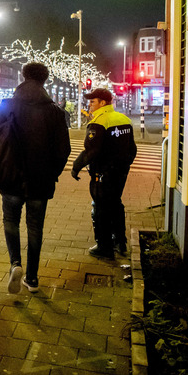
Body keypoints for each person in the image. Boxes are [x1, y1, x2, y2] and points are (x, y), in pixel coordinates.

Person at [0, 62, 71, 294]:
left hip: (10, 176)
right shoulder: (55, 111)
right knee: (35, 227)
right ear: (45, 80)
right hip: (40, 180)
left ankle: (16, 264)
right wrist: (51, 172)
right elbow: (64, 149)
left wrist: (0, 163)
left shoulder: (7, 105)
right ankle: (32, 279)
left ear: (23, 77)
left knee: (10, 221)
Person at [71, 88, 137, 259]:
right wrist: (124, 164)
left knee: (100, 207)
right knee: (115, 203)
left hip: (103, 173)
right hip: (121, 172)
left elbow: (91, 151)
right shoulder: (124, 119)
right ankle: (120, 241)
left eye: (93, 101)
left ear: (103, 103)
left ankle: (104, 246)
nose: (89, 104)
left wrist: (76, 166)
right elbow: (132, 148)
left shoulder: (99, 122)